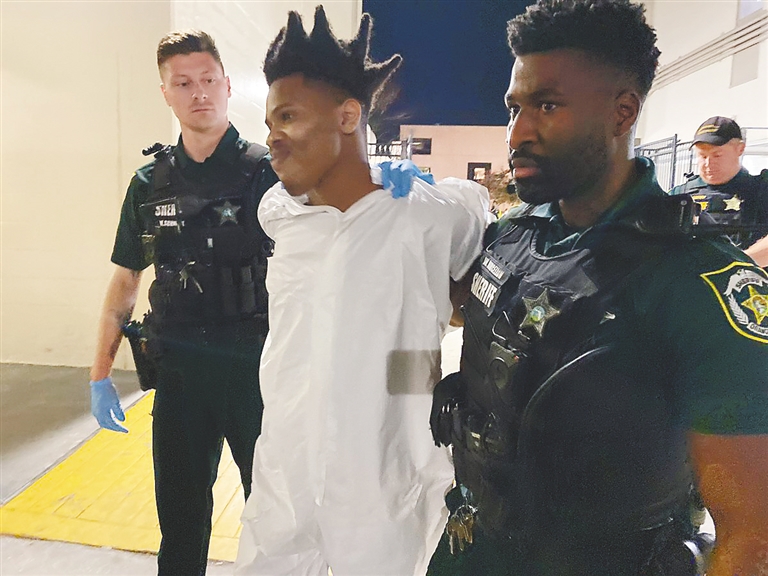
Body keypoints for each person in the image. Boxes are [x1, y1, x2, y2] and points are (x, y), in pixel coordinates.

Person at [427, 1, 768, 575]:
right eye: (514, 107)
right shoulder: (513, 236)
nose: (518, 132)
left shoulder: (698, 283)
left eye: (547, 106)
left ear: (622, 112)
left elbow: (751, 537)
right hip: (473, 545)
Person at [235, 7, 489, 576]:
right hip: (288, 467)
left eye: (288, 117)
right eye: (269, 122)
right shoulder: (281, 213)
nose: (271, 137)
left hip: (386, 470)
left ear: (348, 116)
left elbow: (474, 268)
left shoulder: (426, 213)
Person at [88, 30, 278, 575]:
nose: (199, 93)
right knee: (180, 520)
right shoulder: (149, 183)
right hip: (180, 375)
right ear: (166, 94)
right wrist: (100, 374)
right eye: (183, 83)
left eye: (208, 80)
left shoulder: (269, 171)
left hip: (257, 371)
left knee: (276, 516)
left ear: (227, 85)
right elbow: (126, 279)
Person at [669, 116, 768, 259]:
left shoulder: (761, 190)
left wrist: (737, 263)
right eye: (703, 156)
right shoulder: (679, 195)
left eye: (717, 155)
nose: (708, 164)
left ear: (740, 149)